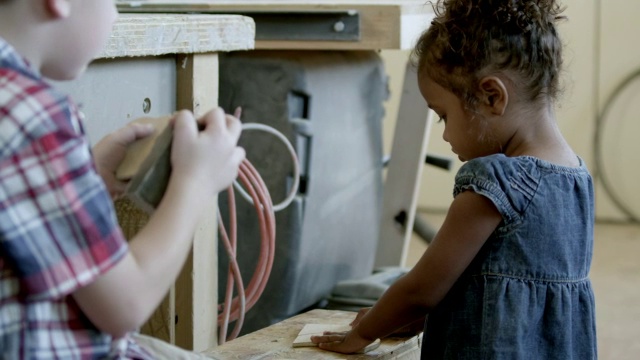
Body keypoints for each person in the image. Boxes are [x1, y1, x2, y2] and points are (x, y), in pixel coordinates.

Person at [312, 0, 597, 358]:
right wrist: (404, 318)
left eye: (443, 115)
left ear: (492, 97)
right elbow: (500, 289)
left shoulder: (497, 180)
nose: (445, 136)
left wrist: (365, 332)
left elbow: (423, 288)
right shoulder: (577, 177)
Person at [0, 0, 245, 358]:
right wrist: (196, 181)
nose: (115, 15)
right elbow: (125, 304)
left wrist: (88, 174)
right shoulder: (33, 115)